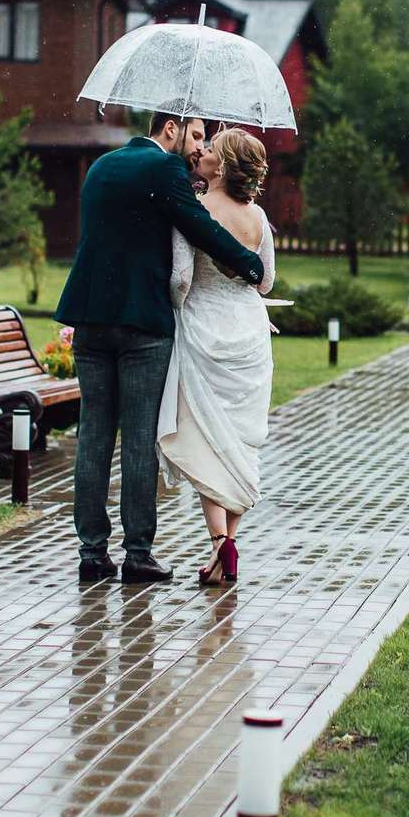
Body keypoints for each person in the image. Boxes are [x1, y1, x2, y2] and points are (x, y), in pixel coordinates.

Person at [54, 112, 265, 584]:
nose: (199, 148)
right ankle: (137, 554)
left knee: (93, 435)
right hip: (141, 323)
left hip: (89, 316)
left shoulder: (102, 166)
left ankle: (92, 553)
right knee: (138, 437)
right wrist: (250, 265)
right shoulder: (165, 168)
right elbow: (201, 228)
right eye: (196, 135)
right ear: (170, 128)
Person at [157, 128, 277, 586]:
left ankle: (218, 542)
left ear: (222, 166)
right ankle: (229, 544)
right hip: (248, 332)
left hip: (204, 328)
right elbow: (265, 282)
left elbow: (181, 279)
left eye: (211, 148)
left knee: (208, 437)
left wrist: (177, 307)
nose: (202, 151)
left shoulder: (196, 209)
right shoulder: (258, 217)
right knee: (241, 441)